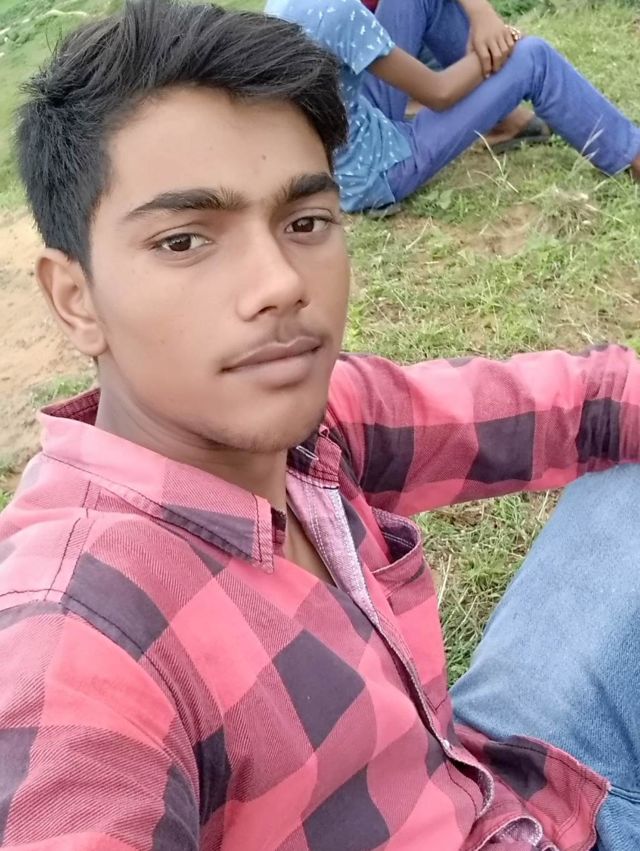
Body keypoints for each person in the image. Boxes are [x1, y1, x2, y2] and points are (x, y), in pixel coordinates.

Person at [2, 1, 640, 848]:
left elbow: (570, 404)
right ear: (75, 298)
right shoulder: (79, 632)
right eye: (186, 240)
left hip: (500, 790)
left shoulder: (313, 426)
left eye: (304, 223)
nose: (278, 283)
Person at [266, 0, 640, 213]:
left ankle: (504, 118)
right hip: (373, 173)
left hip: (344, 139)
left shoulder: (283, 4)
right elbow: (439, 93)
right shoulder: (339, 12)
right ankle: (632, 155)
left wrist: (482, 15)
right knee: (534, 57)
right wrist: (506, 41)